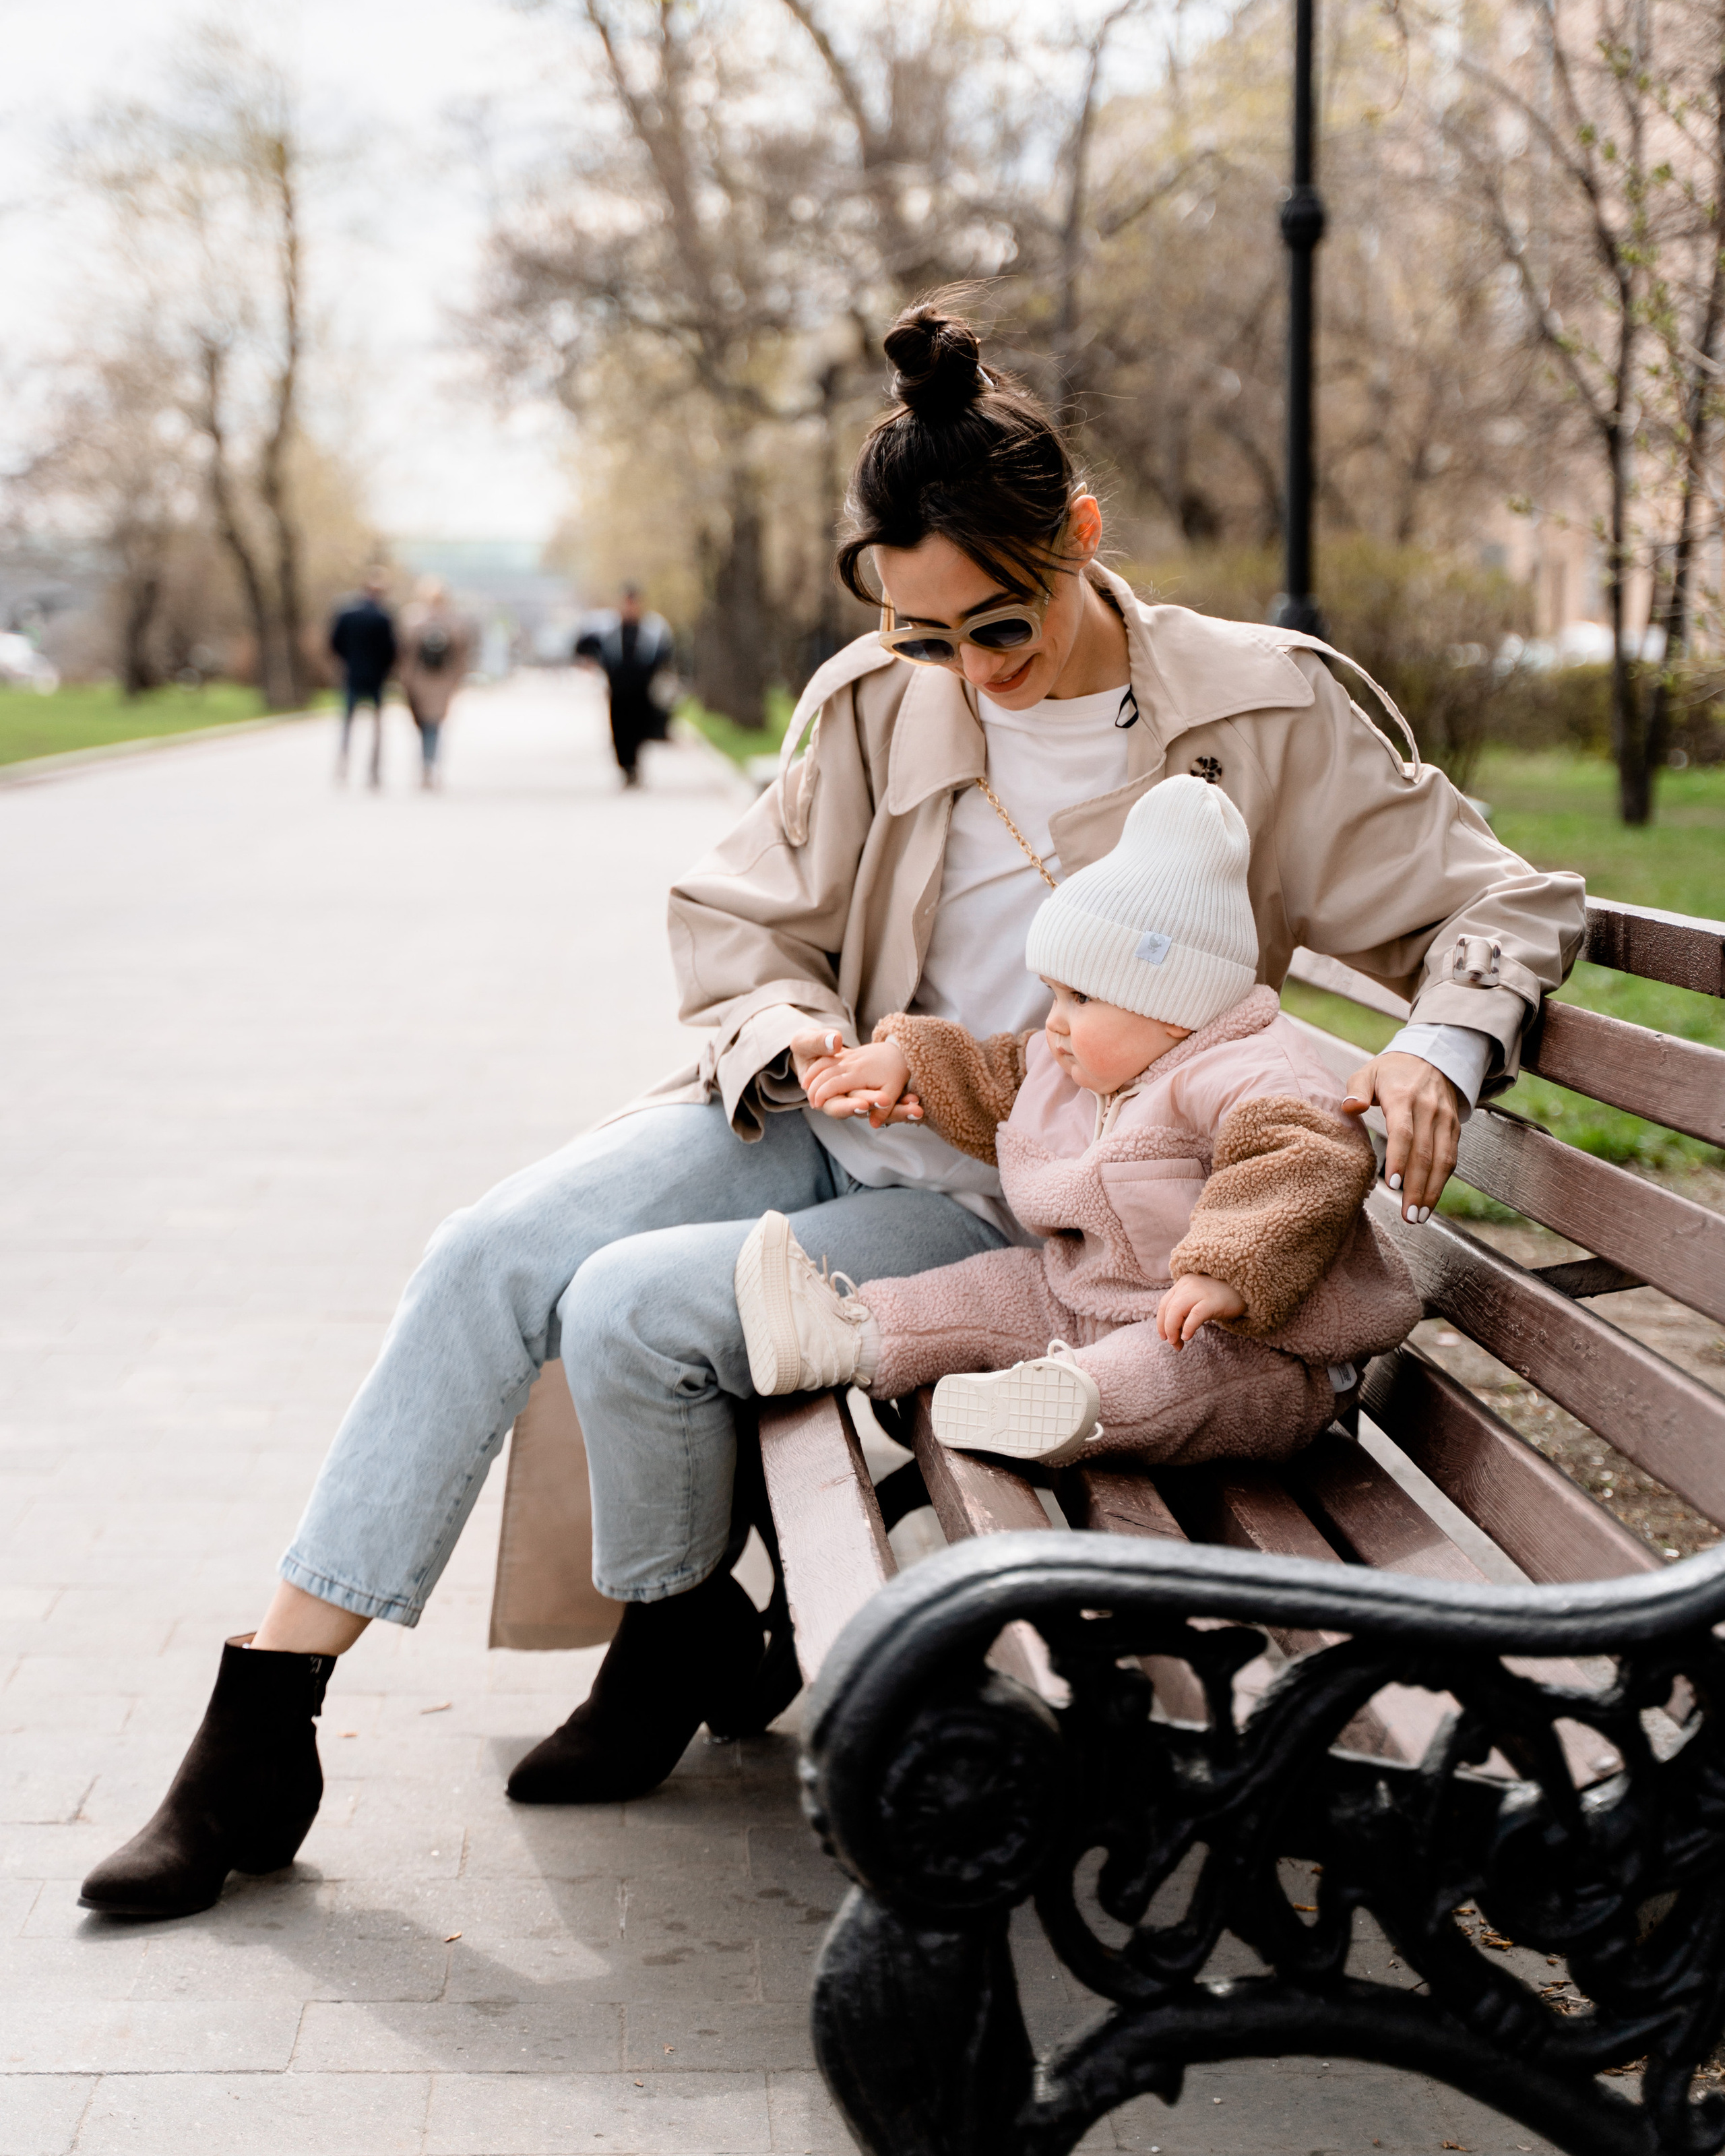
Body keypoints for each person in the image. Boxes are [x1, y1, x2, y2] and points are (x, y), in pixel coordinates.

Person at [78, 301, 1586, 1925]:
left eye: (991, 630)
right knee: (488, 1247)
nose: (955, 669)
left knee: (630, 1300)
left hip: (1023, 1196)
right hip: (814, 1111)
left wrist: (1435, 1042)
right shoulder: (878, 698)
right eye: (917, 632)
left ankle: (675, 1635)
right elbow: (741, 926)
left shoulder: (1262, 708)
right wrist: (798, 1039)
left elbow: (1496, 903)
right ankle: (263, 1725)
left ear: (1077, 537)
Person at [732, 773, 1420, 1470]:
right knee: (989, 1286)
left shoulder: (1255, 1074)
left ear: (1172, 1001)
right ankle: (846, 1333)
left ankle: (1069, 1404)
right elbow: (995, 1074)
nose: (1055, 1023)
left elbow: (1303, 1163)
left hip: (1254, 1343)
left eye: (1082, 997)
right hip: (1086, 1301)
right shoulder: (1086, 1062)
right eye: (1053, 993)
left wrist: (1227, 1271)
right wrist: (906, 1062)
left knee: (1166, 1368)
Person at [574, 582, 676, 787]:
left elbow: (664, 654)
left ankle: (634, 767)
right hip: (618, 690)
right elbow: (584, 646)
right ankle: (626, 768)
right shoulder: (608, 627)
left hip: (641, 690)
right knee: (619, 731)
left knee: (639, 730)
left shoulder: (652, 628)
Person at [398, 577, 472, 791]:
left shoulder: (413, 619)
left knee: (427, 726)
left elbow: (405, 653)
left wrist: (405, 678)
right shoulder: (454, 622)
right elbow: (461, 654)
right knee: (433, 725)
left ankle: (427, 764)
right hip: (439, 683)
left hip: (423, 681)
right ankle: (429, 765)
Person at [329, 570, 397, 790]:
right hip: (376, 677)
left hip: (352, 673)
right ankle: (374, 772)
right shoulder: (383, 617)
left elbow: (334, 643)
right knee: (376, 727)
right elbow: (391, 650)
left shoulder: (347, 614)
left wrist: (348, 662)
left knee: (348, 723)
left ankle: (343, 766)